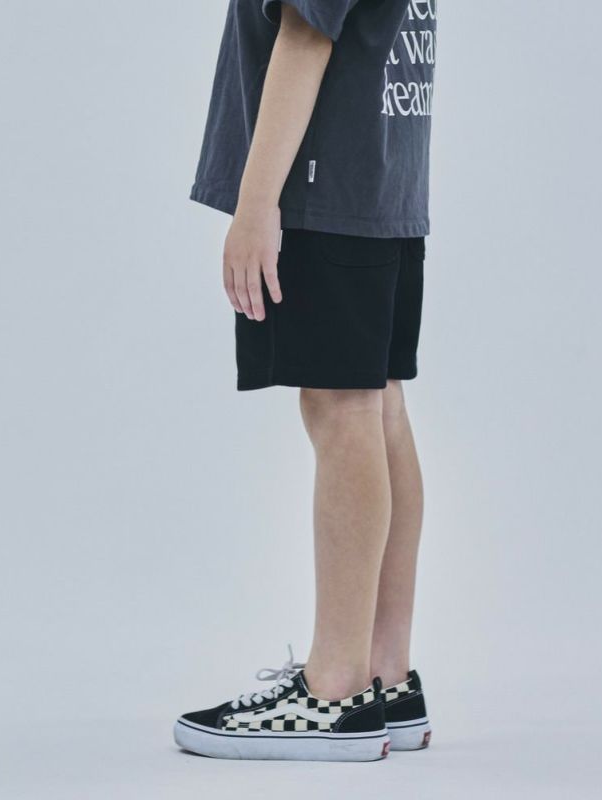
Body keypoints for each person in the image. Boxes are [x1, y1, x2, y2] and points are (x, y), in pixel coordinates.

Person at [174, 0, 437, 762]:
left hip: (326, 184)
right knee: (378, 403)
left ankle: (335, 690)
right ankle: (385, 676)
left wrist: (256, 206)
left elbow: (306, 32)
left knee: (341, 406)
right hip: (383, 181)